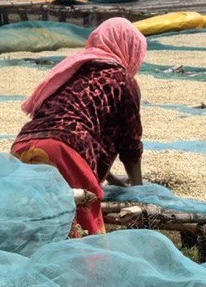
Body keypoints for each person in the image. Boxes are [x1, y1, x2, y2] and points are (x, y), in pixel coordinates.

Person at [11, 17, 147, 235]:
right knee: (82, 238)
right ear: (128, 48)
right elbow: (129, 143)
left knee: (31, 227)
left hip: (23, 147)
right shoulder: (122, 79)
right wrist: (139, 191)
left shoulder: (72, 69)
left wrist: (109, 178)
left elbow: (80, 120)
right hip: (64, 153)